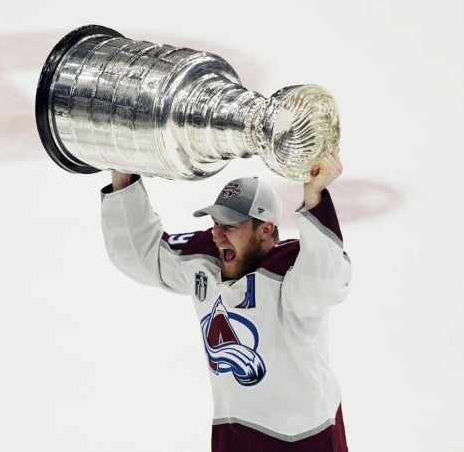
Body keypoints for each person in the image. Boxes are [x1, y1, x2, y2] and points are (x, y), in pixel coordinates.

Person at [101, 149, 351, 452]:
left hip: (305, 438)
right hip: (234, 434)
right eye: (215, 222)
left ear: (265, 229)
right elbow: (140, 254)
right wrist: (123, 178)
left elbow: (326, 281)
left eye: (230, 226)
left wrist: (314, 198)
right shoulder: (206, 259)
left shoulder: (289, 273)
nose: (217, 236)